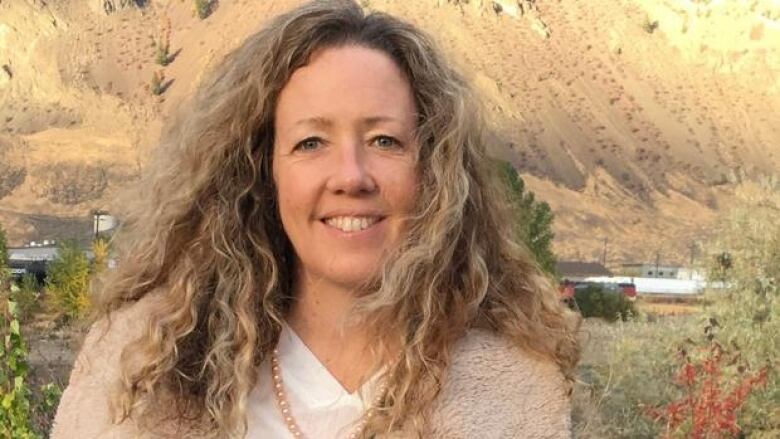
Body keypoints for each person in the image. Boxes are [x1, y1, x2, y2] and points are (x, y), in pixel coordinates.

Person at [52, 0, 580, 437]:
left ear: (436, 170)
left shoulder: (513, 396)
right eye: (311, 142)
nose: (351, 176)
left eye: (385, 141)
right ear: (262, 171)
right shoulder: (140, 374)